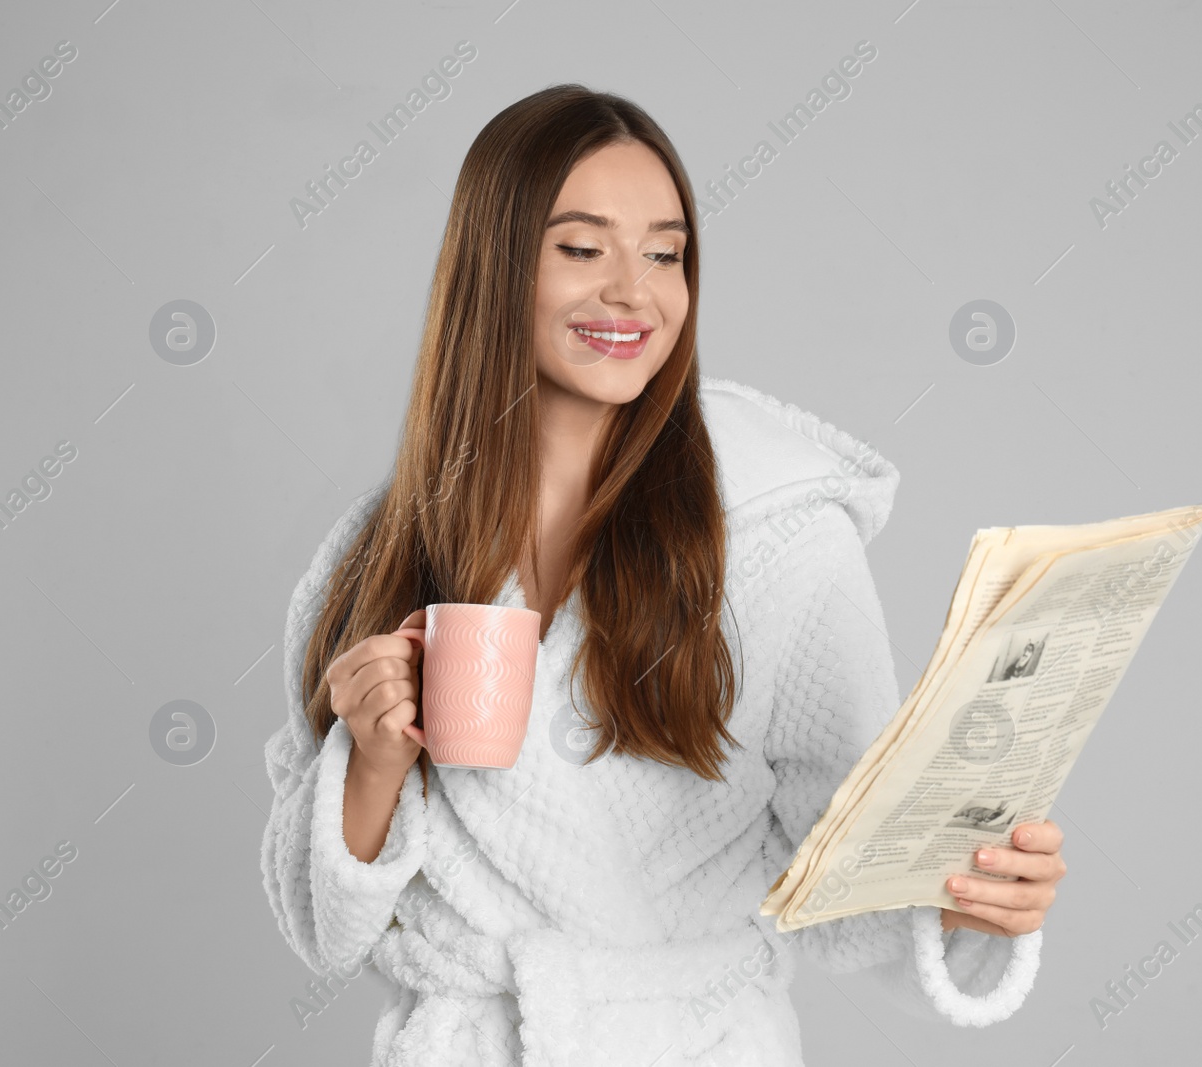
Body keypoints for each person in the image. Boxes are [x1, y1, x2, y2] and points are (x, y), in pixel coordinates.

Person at [259, 84, 1067, 1066]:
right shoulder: (374, 556)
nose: (633, 292)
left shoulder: (772, 536)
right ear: (495, 261)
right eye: (582, 247)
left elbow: (852, 885)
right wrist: (370, 760)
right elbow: (321, 927)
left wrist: (975, 899)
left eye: (665, 253)